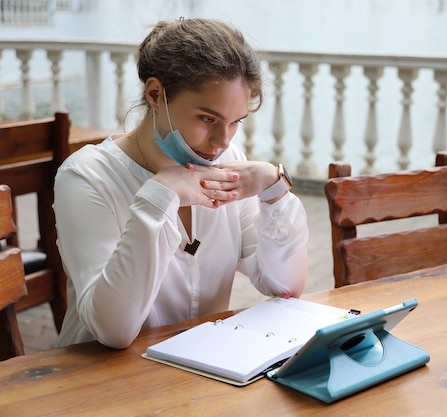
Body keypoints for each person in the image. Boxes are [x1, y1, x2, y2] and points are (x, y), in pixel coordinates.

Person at [54, 18, 308, 349]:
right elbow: (113, 330)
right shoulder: (87, 176)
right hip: (101, 384)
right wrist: (160, 196)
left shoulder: (227, 160)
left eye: (235, 122)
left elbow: (285, 288)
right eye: (208, 119)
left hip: (203, 373)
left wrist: (274, 189)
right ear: (156, 94)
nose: (221, 141)